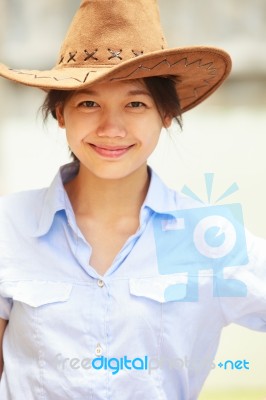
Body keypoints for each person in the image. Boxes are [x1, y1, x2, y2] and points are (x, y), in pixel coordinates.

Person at [0, 1, 265, 399]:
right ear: (60, 112)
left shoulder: (207, 239)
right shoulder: (9, 226)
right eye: (89, 103)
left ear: (166, 113)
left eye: (136, 103)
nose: (111, 127)